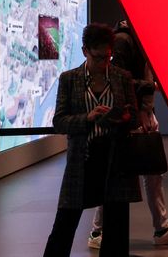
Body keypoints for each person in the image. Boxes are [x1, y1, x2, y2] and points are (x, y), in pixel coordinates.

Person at [88, 20, 168, 249]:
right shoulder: (124, 40)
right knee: (122, 173)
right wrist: (153, 87)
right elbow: (117, 78)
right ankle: (99, 231)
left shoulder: (133, 39)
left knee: (150, 173)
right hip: (132, 116)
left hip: (143, 113)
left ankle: (160, 228)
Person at [43, 23, 140, 257]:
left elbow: (134, 119)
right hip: (82, 162)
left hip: (115, 164)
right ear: (85, 50)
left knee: (116, 232)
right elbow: (60, 121)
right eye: (99, 57)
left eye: (108, 57)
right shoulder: (70, 79)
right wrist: (88, 118)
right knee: (64, 225)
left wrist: (122, 118)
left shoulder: (121, 77)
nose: (104, 63)